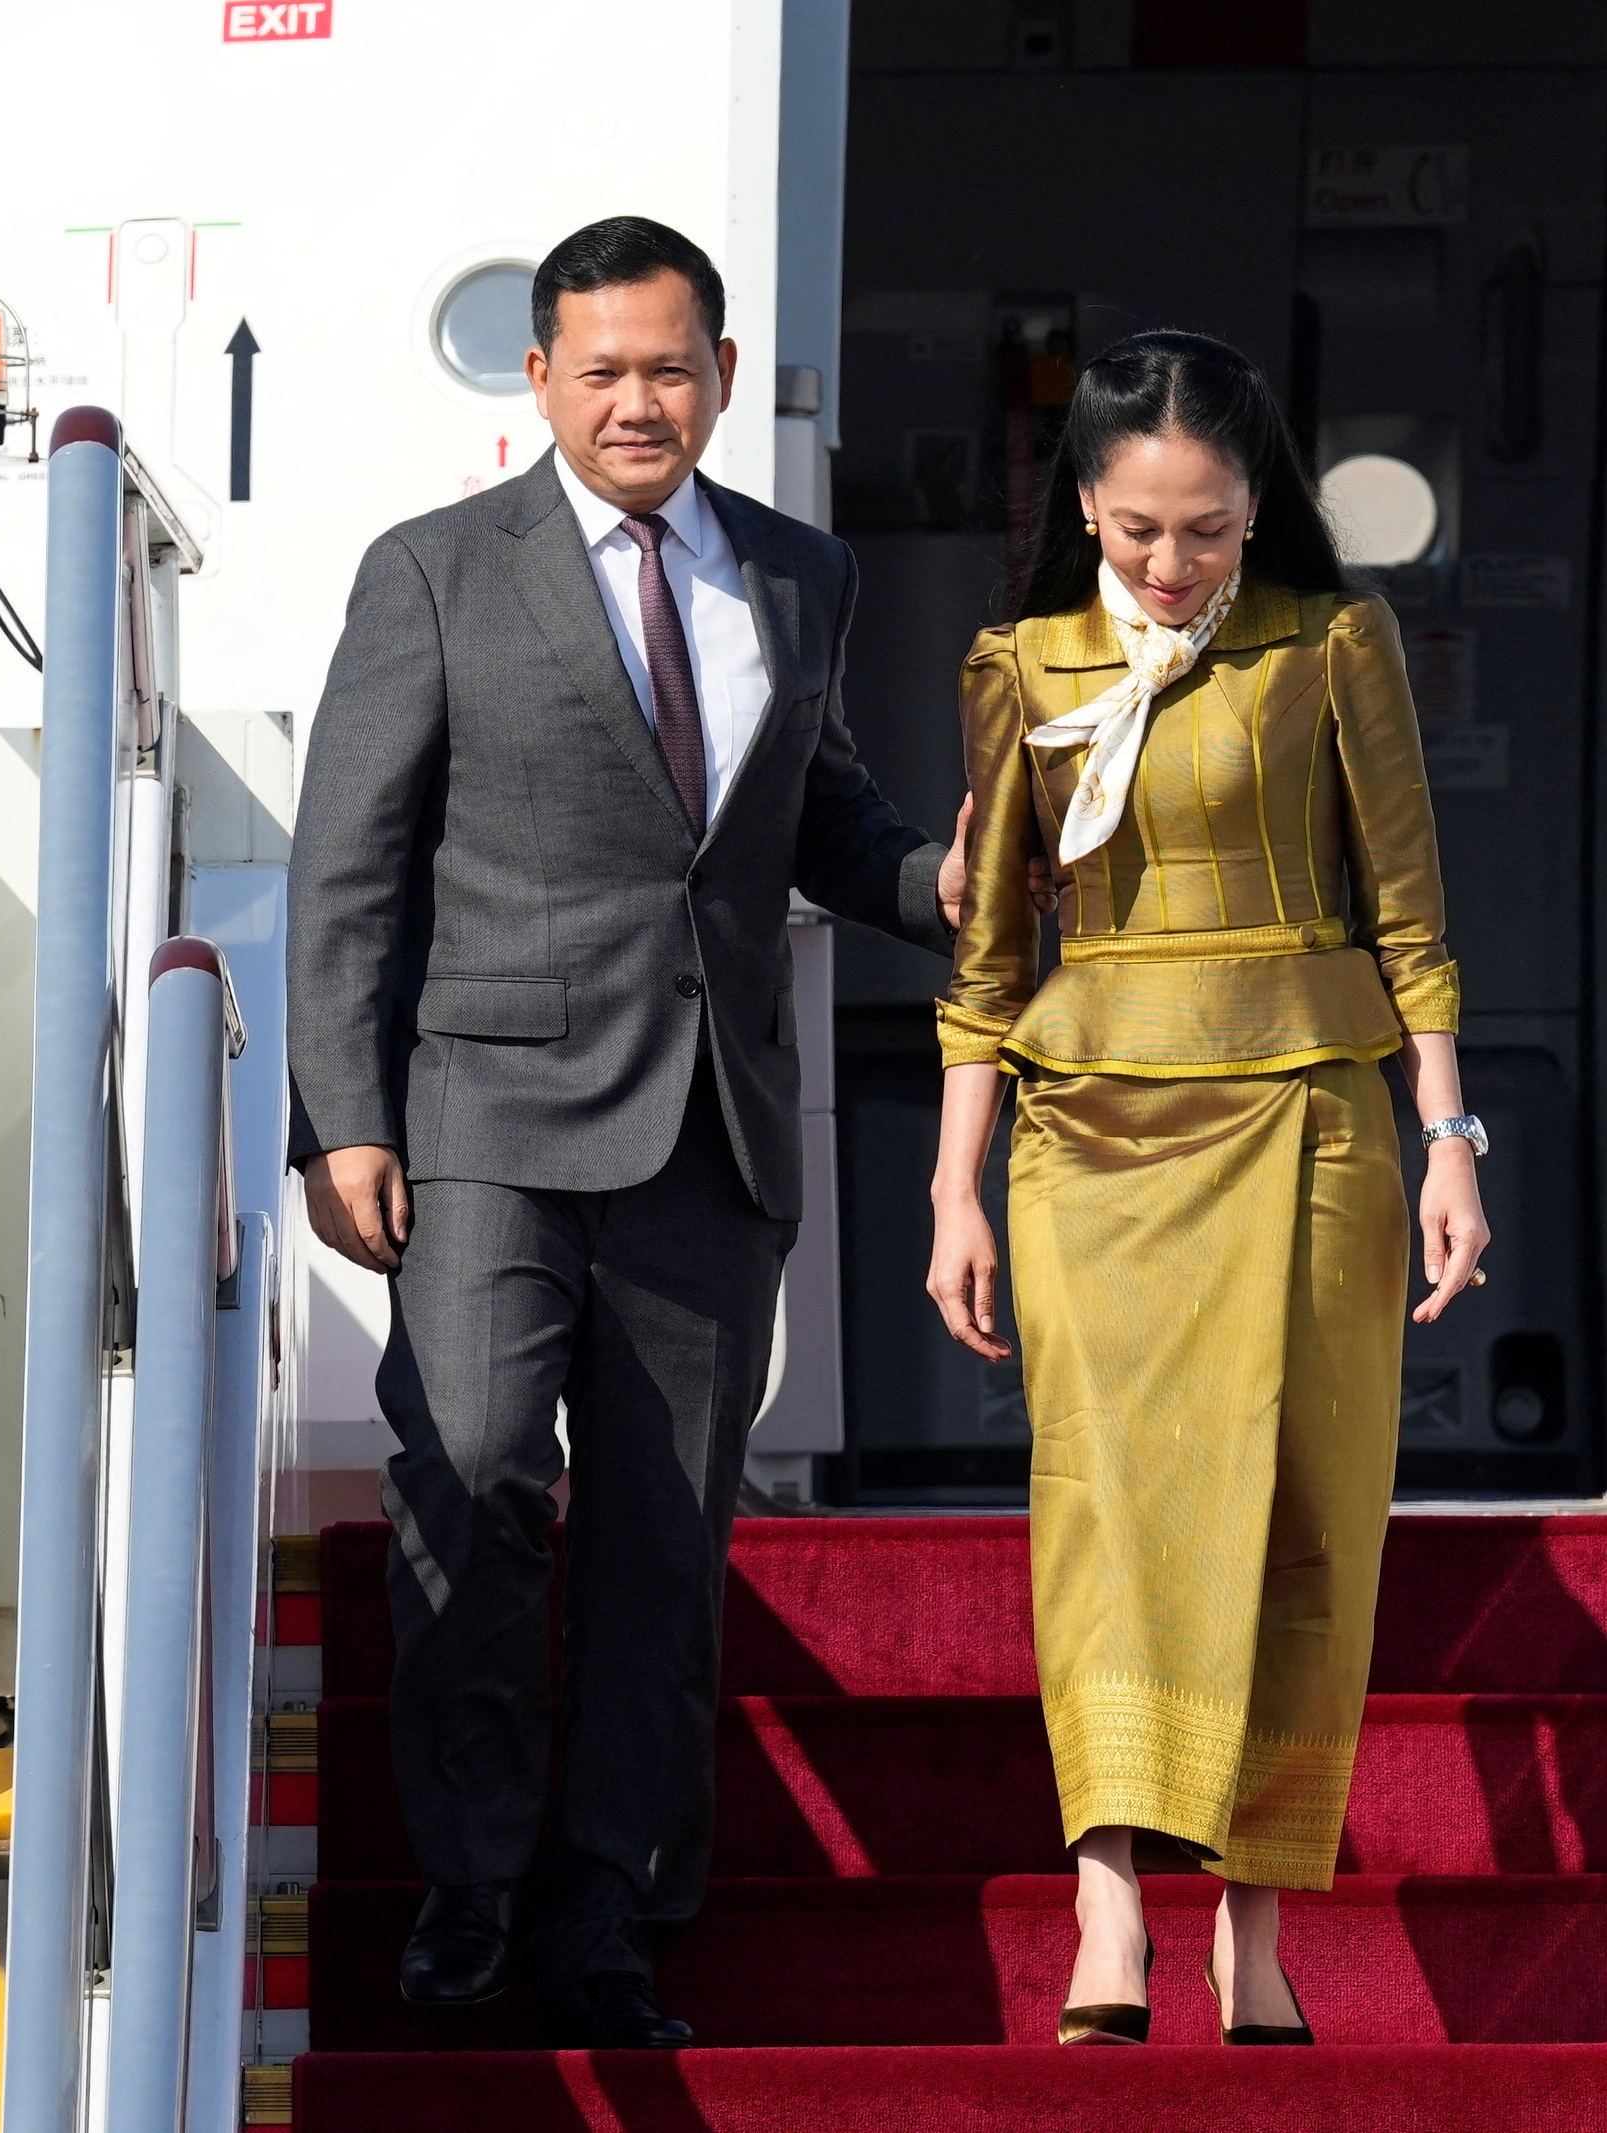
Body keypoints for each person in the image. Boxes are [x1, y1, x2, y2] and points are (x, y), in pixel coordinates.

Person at [285, 215, 966, 2050]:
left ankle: (611, 1915)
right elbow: (345, 866)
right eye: (602, 371)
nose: (637, 402)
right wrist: (342, 1114)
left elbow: (818, 809)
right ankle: (471, 1880)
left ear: (724, 375)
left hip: (710, 1129)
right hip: (485, 1118)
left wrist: (944, 883)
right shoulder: (434, 571)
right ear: (541, 381)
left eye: (670, 367)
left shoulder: (802, 573)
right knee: (477, 1467)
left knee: (664, 1543)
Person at [926, 330, 1492, 2046]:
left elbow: (1411, 916)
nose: (1172, 562)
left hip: (1311, 1116)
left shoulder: (1332, 643)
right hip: (1087, 1137)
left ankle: (1256, 1922)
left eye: (1210, 529)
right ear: (1085, 508)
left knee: (1307, 1509)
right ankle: (1107, 1898)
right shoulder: (1021, 665)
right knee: (1105, 1500)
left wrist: (1450, 1137)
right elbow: (989, 956)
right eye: (1139, 530)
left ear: (1260, 510)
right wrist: (954, 1189)